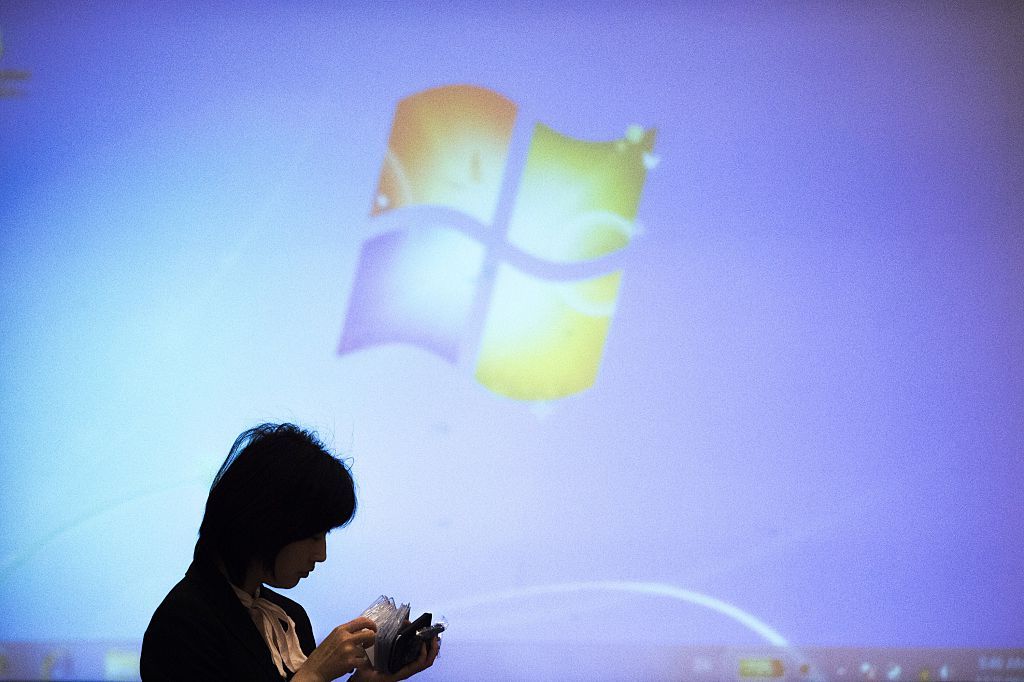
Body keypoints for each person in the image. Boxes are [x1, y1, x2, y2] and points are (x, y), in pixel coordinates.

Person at [141, 423, 440, 681]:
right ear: (267, 523)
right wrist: (314, 674)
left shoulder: (289, 618)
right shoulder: (182, 622)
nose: (321, 554)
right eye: (313, 535)